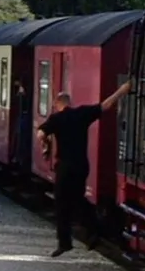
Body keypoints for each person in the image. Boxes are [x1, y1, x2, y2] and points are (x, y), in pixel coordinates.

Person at [37, 80, 132, 257]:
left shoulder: (56, 118)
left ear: (57, 104)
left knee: (61, 203)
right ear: (69, 102)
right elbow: (106, 105)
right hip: (81, 165)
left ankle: (64, 243)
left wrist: (45, 144)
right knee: (79, 200)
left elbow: (41, 133)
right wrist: (122, 90)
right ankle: (93, 233)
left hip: (65, 166)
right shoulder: (82, 114)